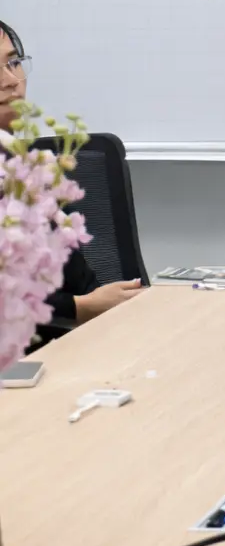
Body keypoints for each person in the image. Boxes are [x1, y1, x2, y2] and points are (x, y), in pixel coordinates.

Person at [0, 18, 144, 337]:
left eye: (13, 63)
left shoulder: (20, 163)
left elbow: (73, 273)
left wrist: (106, 306)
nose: (11, 81)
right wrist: (78, 308)